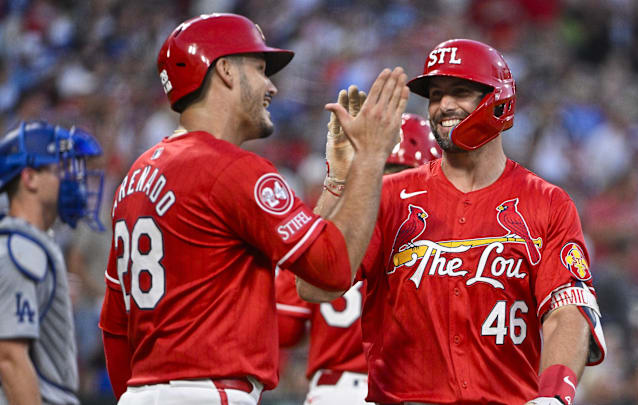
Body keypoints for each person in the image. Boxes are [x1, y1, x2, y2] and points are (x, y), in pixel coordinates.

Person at [98, 13, 408, 405]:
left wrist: (338, 177)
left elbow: (114, 327)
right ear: (225, 70)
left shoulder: (134, 178)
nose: (272, 87)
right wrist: (371, 156)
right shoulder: (232, 168)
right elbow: (331, 270)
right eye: (261, 69)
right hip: (211, 393)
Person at [297, 39, 607, 405]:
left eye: (460, 91)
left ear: (498, 99)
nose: (444, 105)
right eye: (435, 95)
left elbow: (567, 310)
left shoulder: (548, 203)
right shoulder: (389, 196)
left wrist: (554, 395)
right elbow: (314, 286)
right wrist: (339, 182)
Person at [275, 110, 440, 405]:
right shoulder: (444, 241)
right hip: (407, 392)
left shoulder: (326, 230)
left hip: (334, 391)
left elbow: (284, 329)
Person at [0, 120, 104, 405]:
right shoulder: (18, 250)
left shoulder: (30, 244)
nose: (72, 180)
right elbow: (10, 359)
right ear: (29, 178)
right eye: (60, 170)